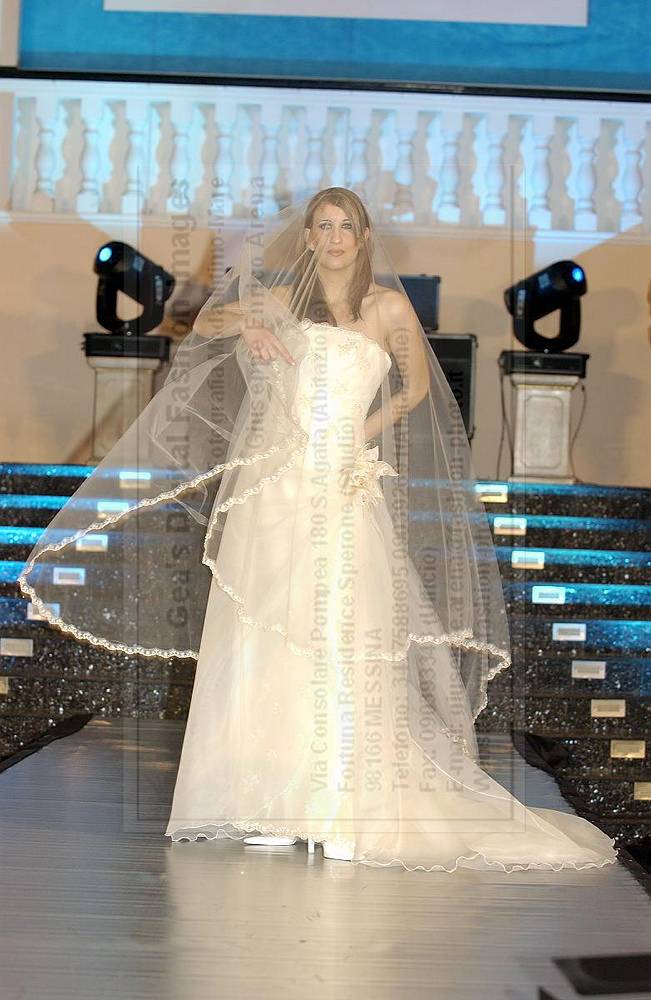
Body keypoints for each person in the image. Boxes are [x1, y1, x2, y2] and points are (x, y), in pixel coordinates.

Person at [19, 187, 619, 872]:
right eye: (323, 226)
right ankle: (269, 802)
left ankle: (339, 802)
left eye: (346, 227)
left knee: (338, 632)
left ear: (363, 237)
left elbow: (416, 389)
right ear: (307, 237)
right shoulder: (283, 301)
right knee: (266, 633)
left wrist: (356, 436)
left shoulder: (387, 309)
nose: (334, 238)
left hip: (340, 482)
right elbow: (205, 321)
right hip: (274, 485)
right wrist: (249, 327)